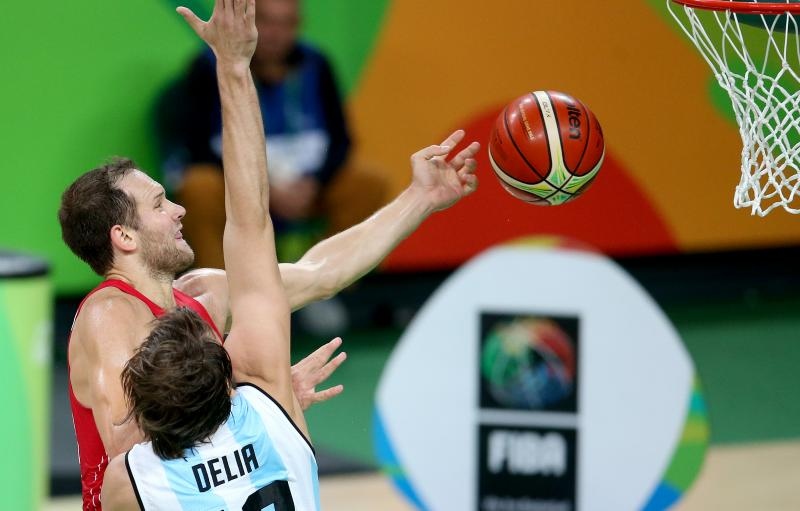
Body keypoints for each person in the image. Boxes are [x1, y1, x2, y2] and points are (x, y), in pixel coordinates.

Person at [99, 0, 479, 508]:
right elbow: (252, 225)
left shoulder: (134, 476)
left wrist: (419, 198)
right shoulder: (106, 324)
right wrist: (269, 400)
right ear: (123, 235)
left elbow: (319, 271)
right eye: (160, 202)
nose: (179, 208)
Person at [156, 0, 381, 267]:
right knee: (199, 187)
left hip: (306, 187)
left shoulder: (317, 64)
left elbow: (341, 140)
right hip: (236, 188)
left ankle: (327, 283)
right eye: (267, 21)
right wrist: (263, 189)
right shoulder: (209, 66)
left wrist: (314, 183)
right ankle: (221, 293)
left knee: (367, 185)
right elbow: (197, 148)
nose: (276, 33)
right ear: (247, 20)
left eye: (286, 24)